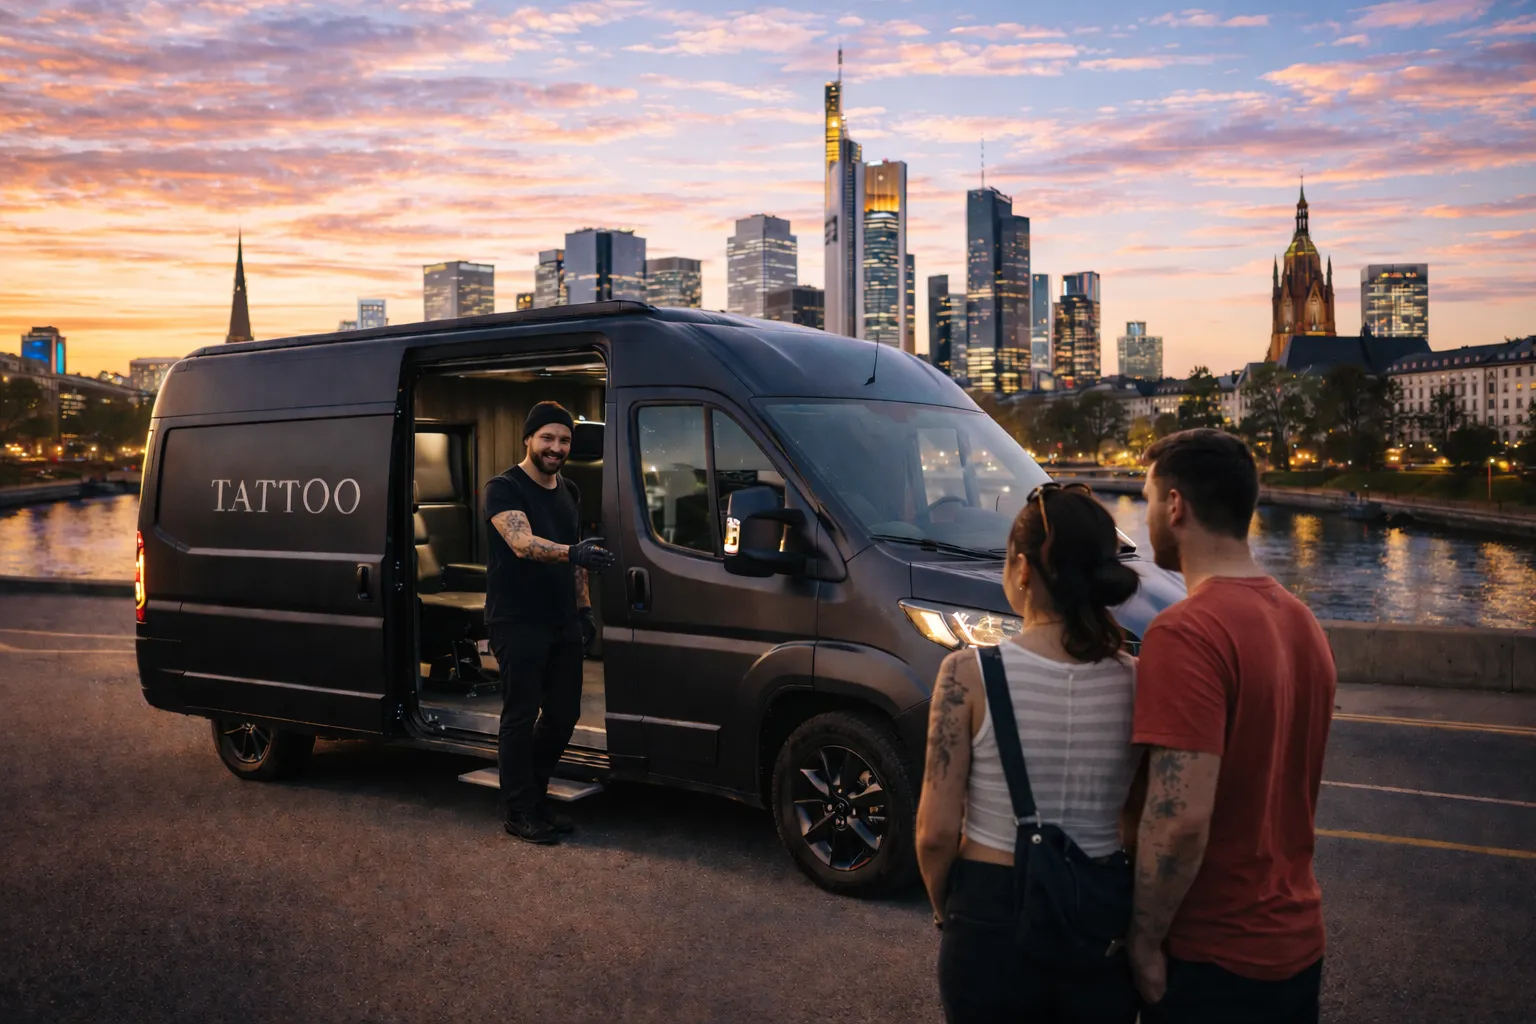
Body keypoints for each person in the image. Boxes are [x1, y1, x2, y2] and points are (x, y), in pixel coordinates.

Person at [1128, 429, 1336, 1022]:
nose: (1145, 519)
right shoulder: (1303, 623)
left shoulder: (1186, 632)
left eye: (1146, 500)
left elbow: (1179, 820)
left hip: (1214, 958)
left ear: (1175, 505)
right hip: (1296, 944)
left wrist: (1144, 940)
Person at [917, 482, 1144, 1024]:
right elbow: (1138, 821)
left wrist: (947, 911)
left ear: (1022, 570)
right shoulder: (1139, 682)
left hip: (991, 914)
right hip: (1097, 910)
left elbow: (934, 833)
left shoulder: (967, 675)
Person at [484, 401, 615, 844]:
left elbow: (576, 557)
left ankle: (534, 797)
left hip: (562, 620)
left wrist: (584, 610)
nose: (555, 448)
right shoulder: (504, 488)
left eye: (563, 440)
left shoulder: (570, 492)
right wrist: (572, 552)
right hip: (517, 619)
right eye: (547, 438)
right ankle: (518, 809)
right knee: (519, 717)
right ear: (529, 439)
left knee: (563, 715)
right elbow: (521, 544)